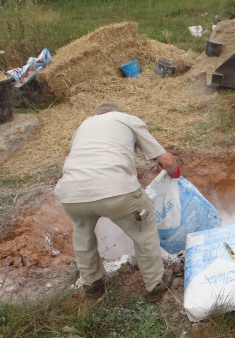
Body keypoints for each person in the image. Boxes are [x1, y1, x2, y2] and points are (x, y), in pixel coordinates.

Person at [54, 101, 180, 303]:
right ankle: (155, 284)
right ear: (117, 113)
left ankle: (92, 284)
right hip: (116, 189)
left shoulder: (83, 126)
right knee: (144, 231)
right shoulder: (126, 119)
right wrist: (174, 173)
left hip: (71, 193)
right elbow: (167, 161)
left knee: (82, 234)